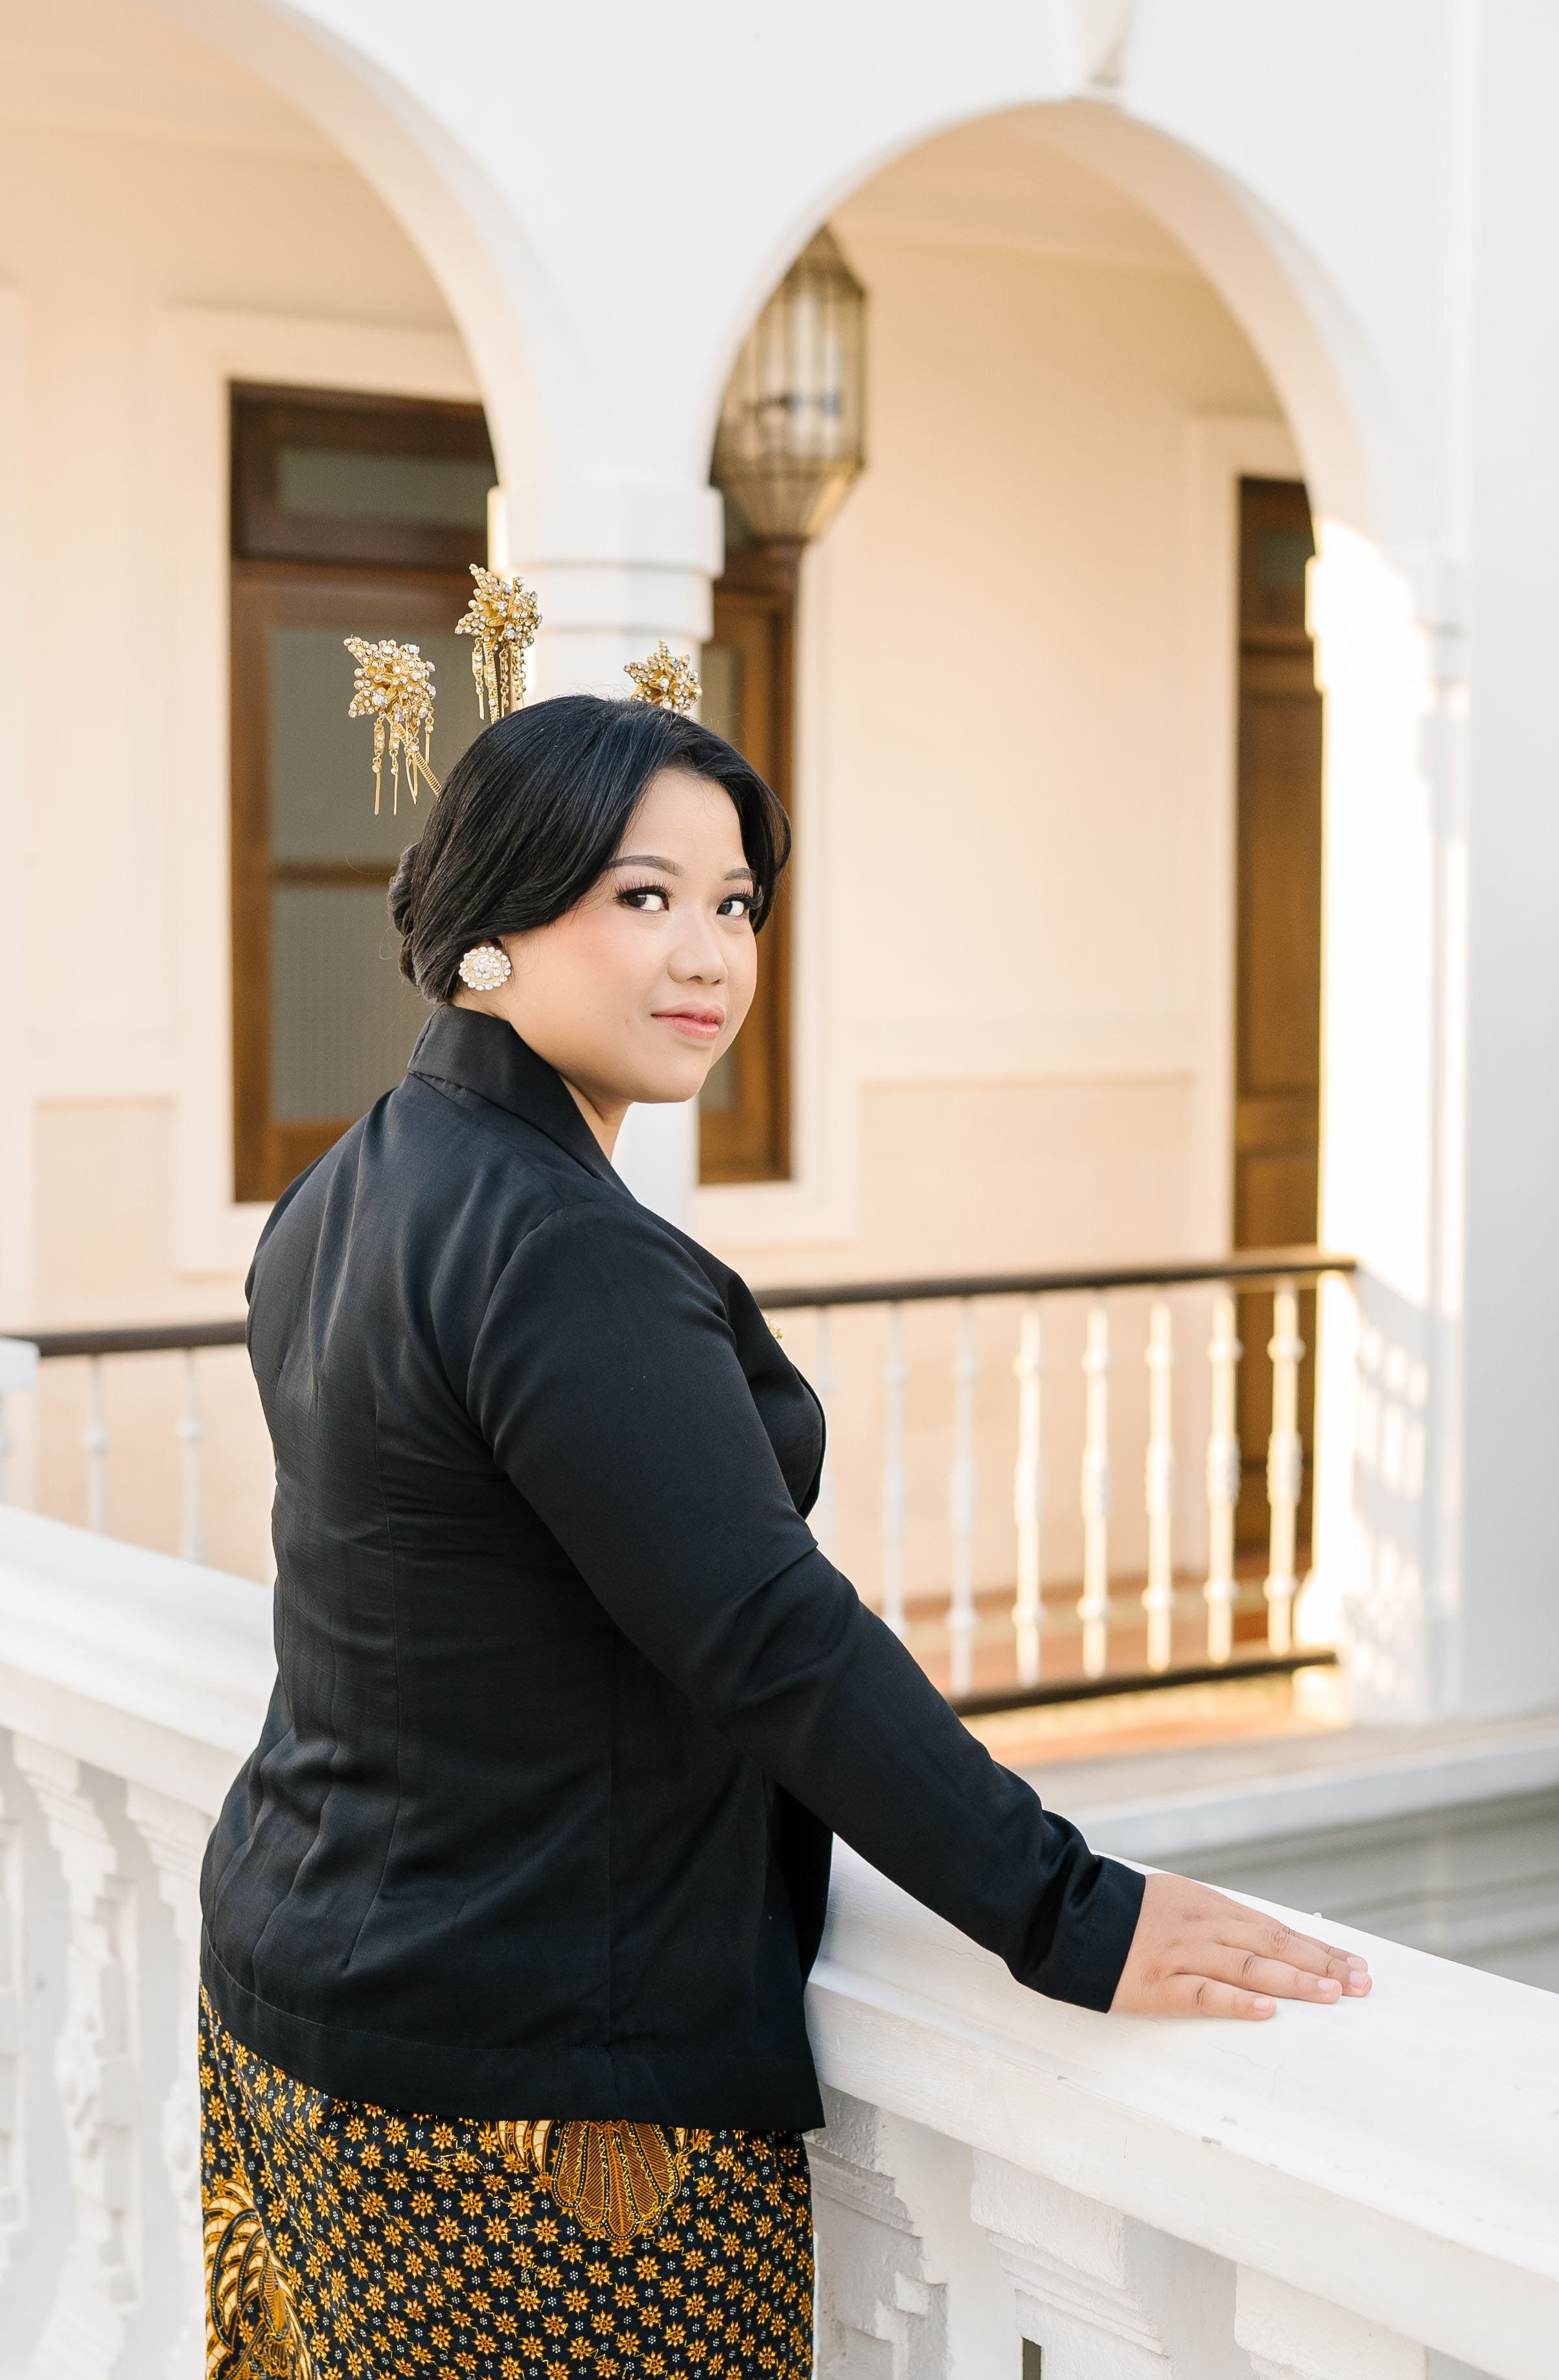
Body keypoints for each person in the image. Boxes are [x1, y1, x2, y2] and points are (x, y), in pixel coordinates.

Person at [198, 687, 1370, 2380]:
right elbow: (767, 1634)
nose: (709, 953)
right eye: (640, 893)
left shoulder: (355, 1179)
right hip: (517, 2083)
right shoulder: (555, 1247)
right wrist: (1070, 1909)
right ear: (488, 919)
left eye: (735, 901)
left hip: (297, 1987)